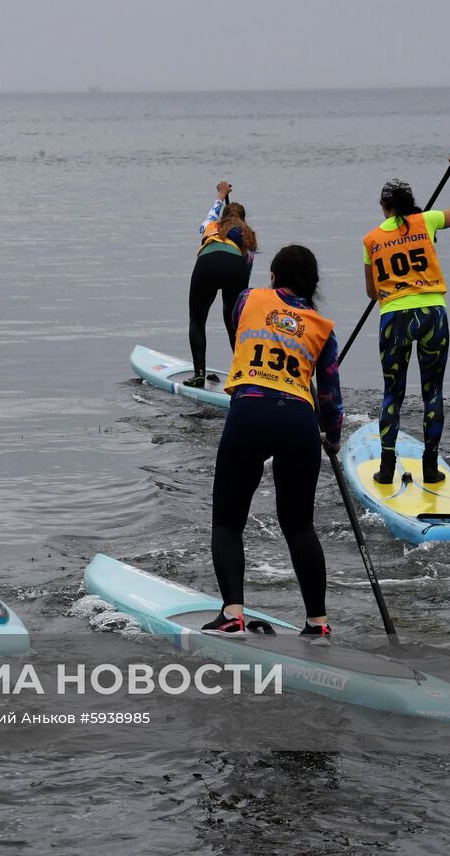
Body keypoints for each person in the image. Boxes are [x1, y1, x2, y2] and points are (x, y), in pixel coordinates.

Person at [203, 245, 342, 639]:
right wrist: (332, 437)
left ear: (274, 278)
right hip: (299, 419)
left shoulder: (249, 299)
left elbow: (238, 324)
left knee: (228, 522)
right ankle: (317, 623)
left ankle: (232, 615)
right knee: (299, 526)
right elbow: (331, 396)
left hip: (251, 410)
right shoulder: (322, 328)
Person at [364, 150, 450, 484]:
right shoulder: (427, 222)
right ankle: (430, 467)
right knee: (432, 392)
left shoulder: (370, 240)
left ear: (384, 206)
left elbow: (373, 293)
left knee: (392, 393)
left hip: (394, 317)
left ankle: (385, 468)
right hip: (432, 315)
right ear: (410, 203)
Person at [186, 180, 258, 388]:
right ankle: (242, 375)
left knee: (197, 320)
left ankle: (199, 374)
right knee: (233, 322)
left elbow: (213, 211)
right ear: (242, 220)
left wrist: (221, 194)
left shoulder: (210, 226)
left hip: (207, 263)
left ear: (223, 217)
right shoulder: (247, 236)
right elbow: (247, 270)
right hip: (236, 267)